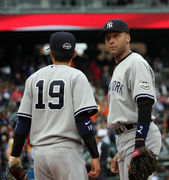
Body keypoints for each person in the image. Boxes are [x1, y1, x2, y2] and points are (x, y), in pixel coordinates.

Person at [7, 32, 100, 180]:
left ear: (50, 53)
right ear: (74, 54)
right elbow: (82, 119)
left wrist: (14, 156)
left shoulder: (33, 79)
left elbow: (23, 121)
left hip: (40, 156)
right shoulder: (77, 76)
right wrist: (94, 154)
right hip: (67, 152)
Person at [103, 19, 162, 180]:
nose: (111, 41)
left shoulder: (135, 62)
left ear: (128, 38)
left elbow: (145, 102)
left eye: (116, 36)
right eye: (108, 38)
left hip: (138, 134)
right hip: (125, 137)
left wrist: (139, 144)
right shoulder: (120, 66)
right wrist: (121, 151)